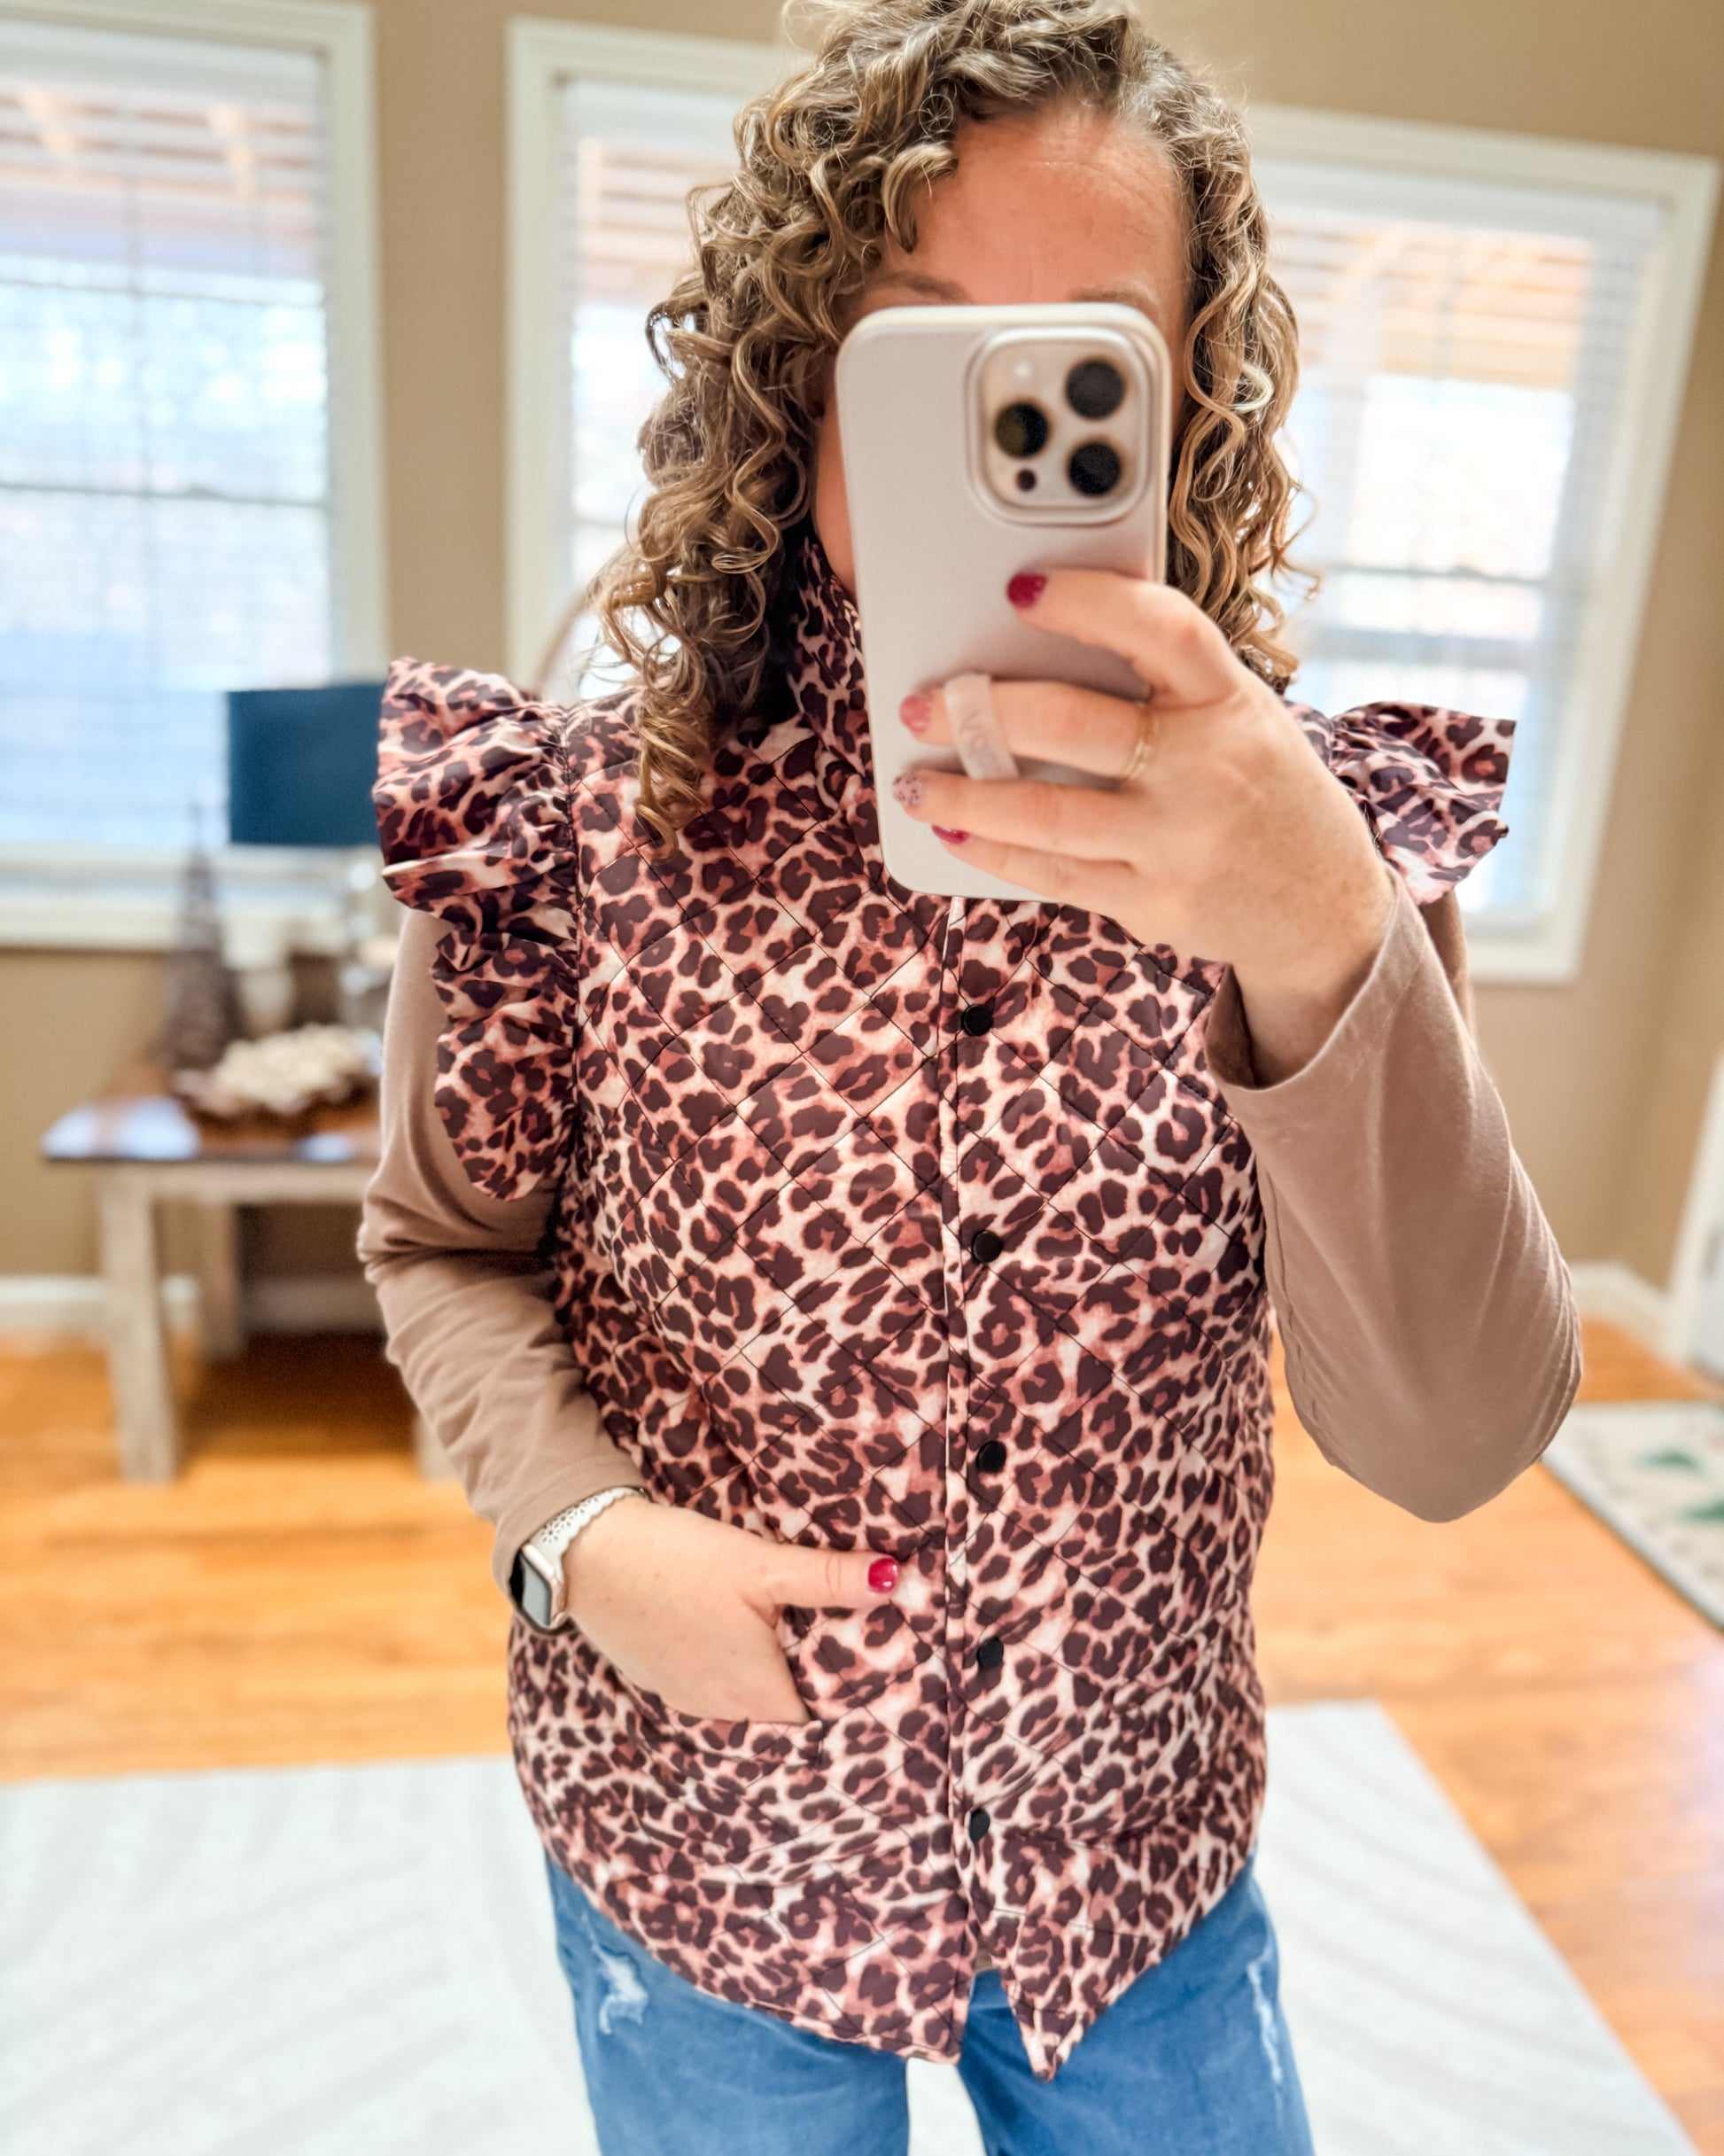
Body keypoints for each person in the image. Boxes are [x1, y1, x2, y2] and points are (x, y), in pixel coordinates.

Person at [359, 4, 1580, 2150]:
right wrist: (580, 1535)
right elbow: (439, 1246)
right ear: (791, 368)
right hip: (703, 1829)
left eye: (1077, 360)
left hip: (1134, 1869)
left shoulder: (1317, 845)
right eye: (913, 343)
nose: (990, 421)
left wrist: (1318, 928)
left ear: (1180, 405)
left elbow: (1453, 1436)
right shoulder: (569, 825)